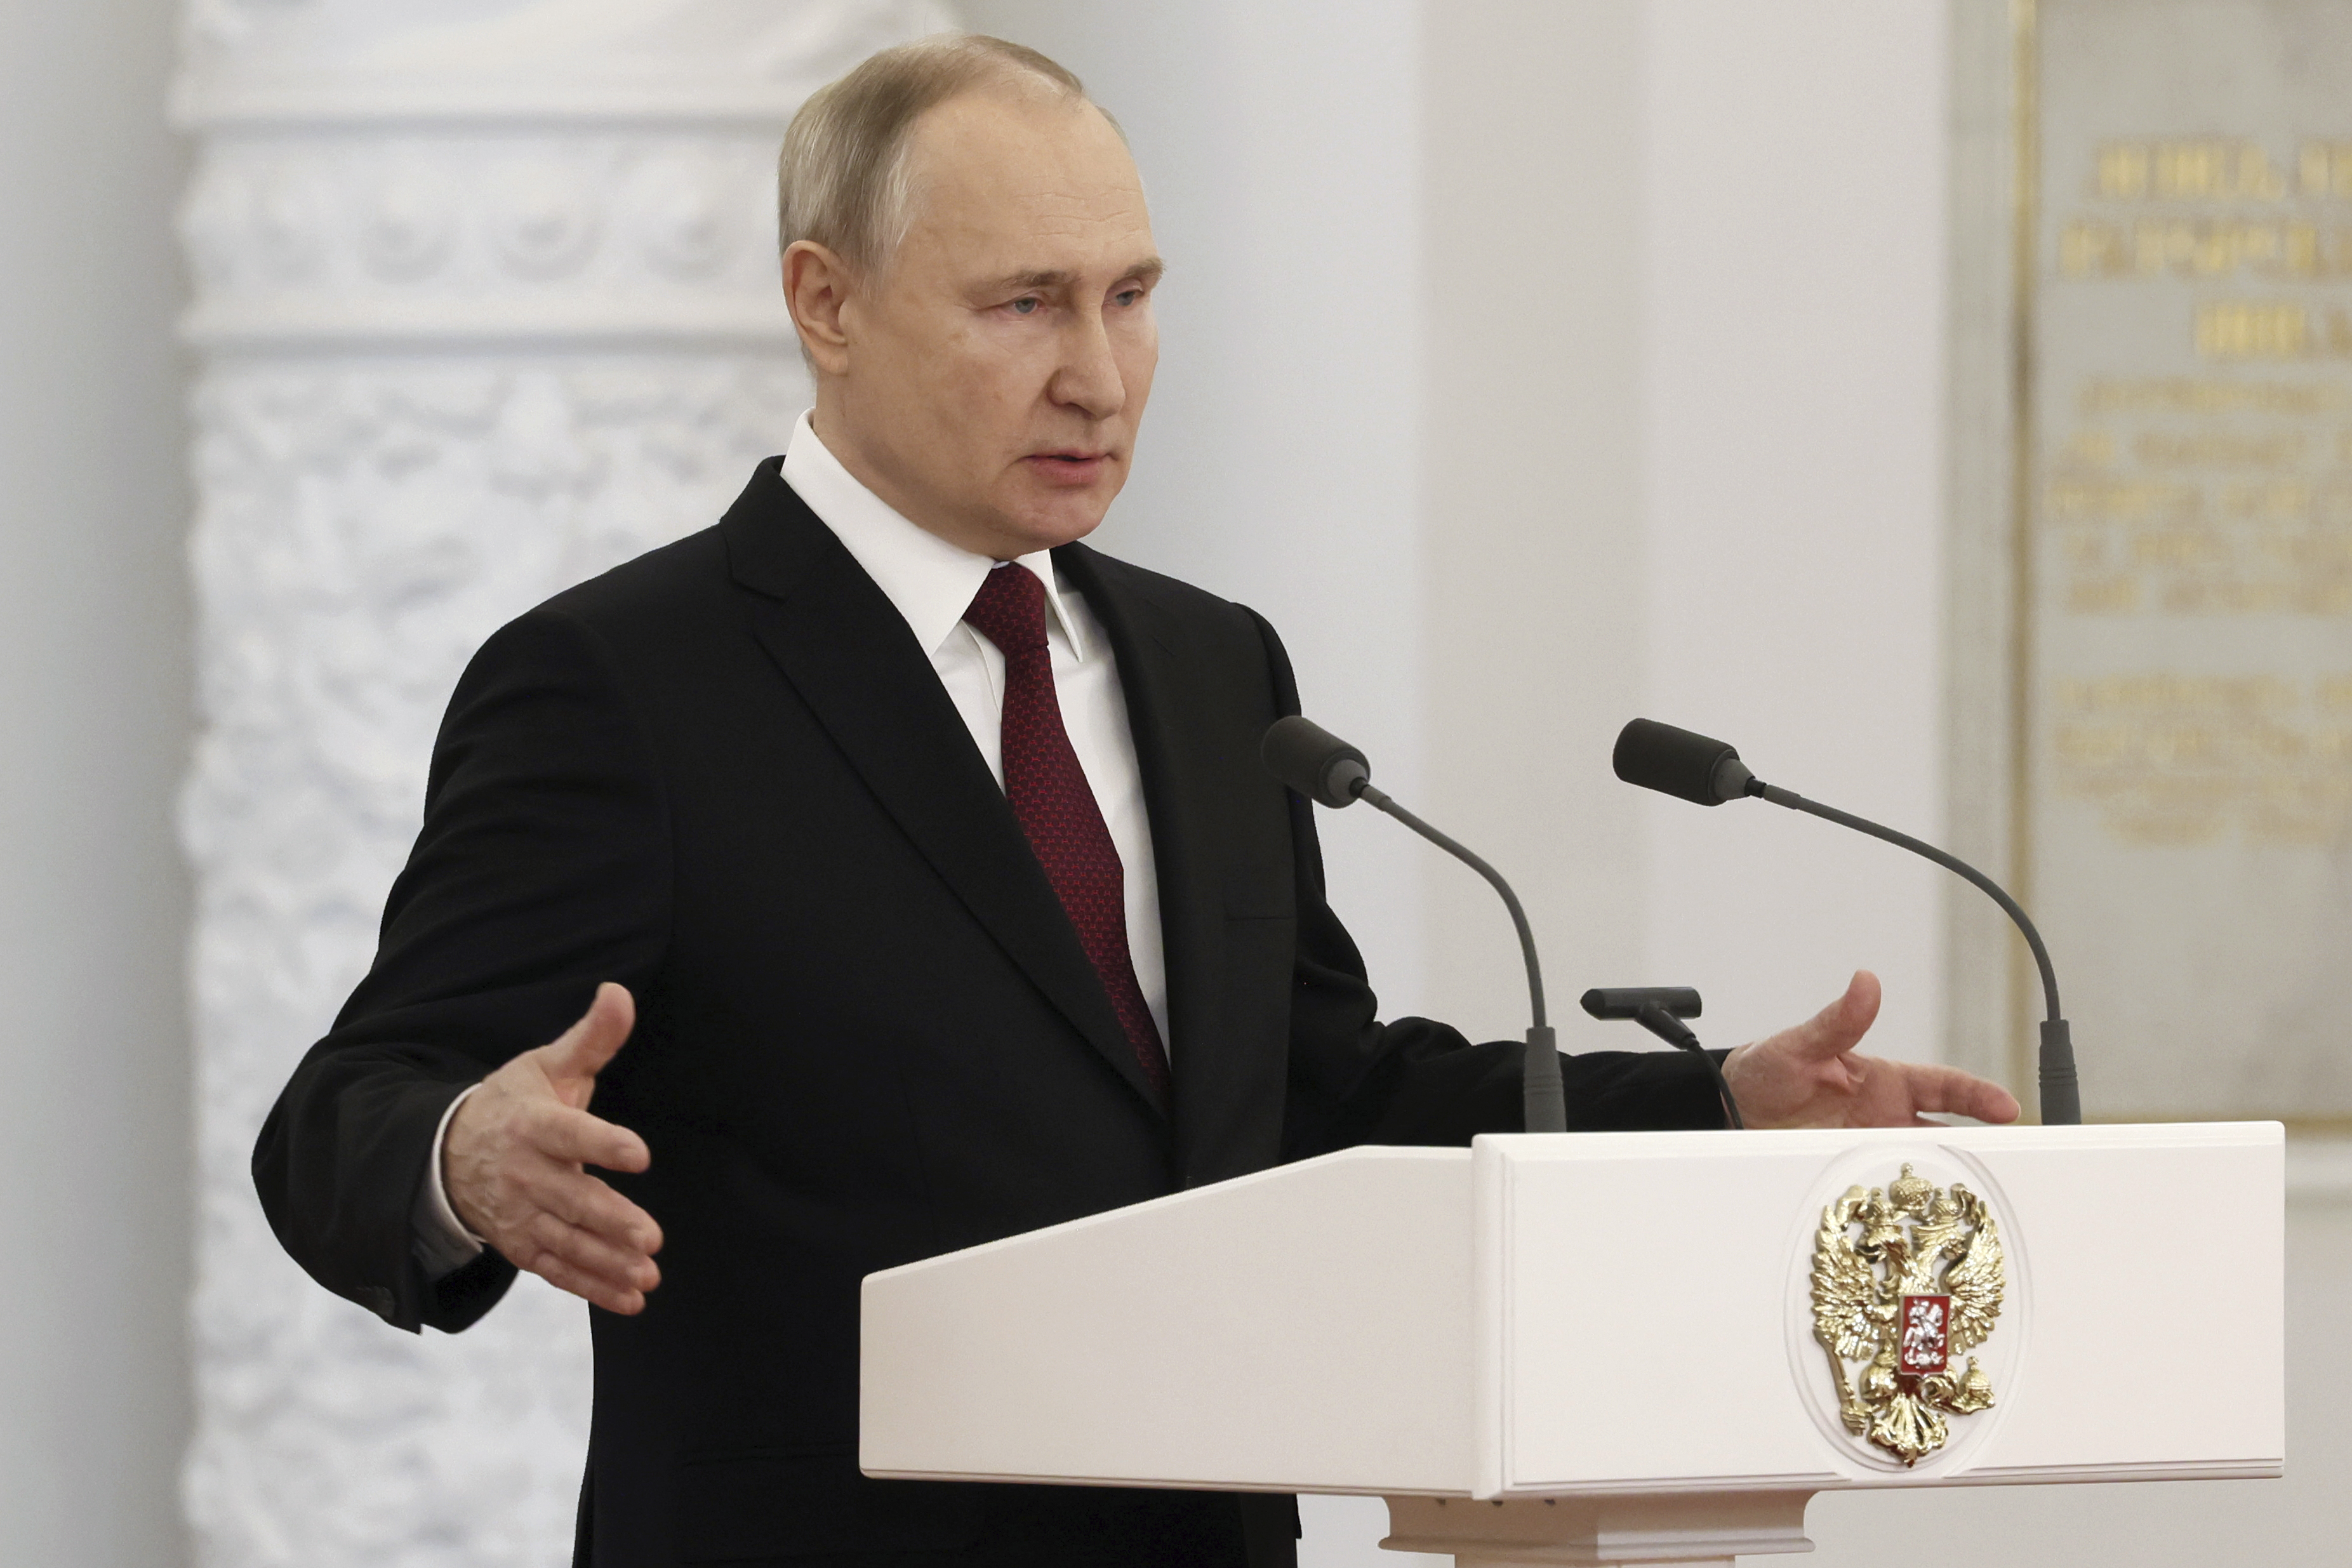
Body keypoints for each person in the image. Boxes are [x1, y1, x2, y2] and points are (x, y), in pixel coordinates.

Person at [253, 34, 2019, 1568]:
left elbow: (1320, 1096)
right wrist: (460, 1157)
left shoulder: (1205, 670)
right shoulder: (628, 684)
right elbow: (343, 1113)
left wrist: (1712, 1106)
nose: (1097, 374)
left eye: (1129, 295)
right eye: (1020, 303)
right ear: (824, 302)